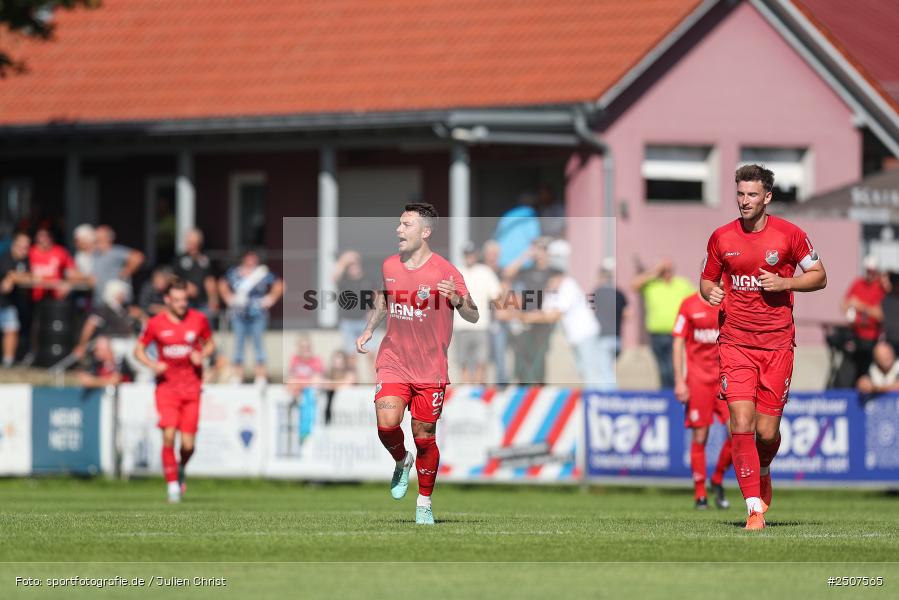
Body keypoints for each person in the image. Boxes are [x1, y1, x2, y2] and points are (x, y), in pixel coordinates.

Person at [700, 164, 826, 530]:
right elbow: (706, 282)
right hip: (735, 343)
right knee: (740, 421)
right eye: (740, 194)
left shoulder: (790, 235)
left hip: (777, 346)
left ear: (767, 197)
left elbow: (820, 276)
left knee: (767, 433)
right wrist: (712, 293)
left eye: (752, 195)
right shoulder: (721, 237)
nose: (744, 201)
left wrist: (785, 281)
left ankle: (764, 467)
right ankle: (754, 507)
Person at [356, 202, 477, 526]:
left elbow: (473, 313)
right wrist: (370, 327)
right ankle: (401, 459)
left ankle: (424, 503)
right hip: (394, 358)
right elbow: (384, 298)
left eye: (406, 225)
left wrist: (457, 299)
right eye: (399, 224)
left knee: (424, 436)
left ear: (425, 232)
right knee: (386, 423)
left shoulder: (445, 271)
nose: (398, 230)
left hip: (430, 368)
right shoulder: (390, 265)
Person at [134, 278, 215, 504]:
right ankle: (172, 486)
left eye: (185, 300)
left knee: (188, 445)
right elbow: (138, 350)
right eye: (177, 300)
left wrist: (202, 355)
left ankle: (180, 469)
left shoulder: (198, 319)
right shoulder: (156, 323)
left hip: (192, 389)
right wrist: (152, 364)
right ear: (167, 300)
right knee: (169, 434)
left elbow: (210, 343)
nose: (182, 304)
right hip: (167, 388)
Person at [672, 291, 732, 510]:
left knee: (740, 432)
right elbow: (677, 341)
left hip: (726, 378)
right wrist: (680, 380)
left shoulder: (729, 300)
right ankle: (700, 494)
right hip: (698, 381)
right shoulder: (688, 305)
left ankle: (716, 478)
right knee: (700, 435)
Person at [219, 249, 284, 384]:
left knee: (259, 344)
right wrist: (229, 298)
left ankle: (260, 375)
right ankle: (238, 375)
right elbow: (222, 284)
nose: (251, 260)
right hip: (239, 313)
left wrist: (270, 299)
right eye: (248, 257)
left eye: (253, 257)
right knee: (239, 345)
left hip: (258, 313)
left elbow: (279, 284)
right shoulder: (234, 272)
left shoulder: (262, 273)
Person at [632, 258, 694, 389]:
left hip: (676, 333)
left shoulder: (682, 284)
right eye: (663, 270)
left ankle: (675, 393)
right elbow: (634, 285)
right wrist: (655, 270)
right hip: (656, 333)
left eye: (668, 270)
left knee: (673, 367)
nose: (666, 273)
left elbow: (695, 300)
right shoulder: (652, 284)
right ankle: (667, 395)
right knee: (662, 369)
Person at [454, 242, 502, 384]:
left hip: (481, 325)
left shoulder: (485, 272)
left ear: (476, 255)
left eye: (472, 254)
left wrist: (499, 315)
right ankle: (466, 390)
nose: (469, 257)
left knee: (481, 361)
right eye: (467, 254)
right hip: (461, 325)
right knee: (463, 361)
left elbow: (496, 295)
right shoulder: (456, 272)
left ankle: (479, 391)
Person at [841, 256, 887, 383]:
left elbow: (881, 315)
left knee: (866, 371)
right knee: (847, 369)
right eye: (868, 271)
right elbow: (844, 303)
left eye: (872, 271)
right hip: (855, 334)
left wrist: (860, 306)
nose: (870, 274)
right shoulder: (858, 283)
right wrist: (849, 308)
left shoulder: (881, 288)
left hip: (872, 338)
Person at [332, 250, 377, 367]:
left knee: (371, 354)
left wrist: (373, 311)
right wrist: (343, 260)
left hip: (366, 323)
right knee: (351, 356)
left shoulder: (368, 278)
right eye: (350, 266)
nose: (353, 268)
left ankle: (376, 383)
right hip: (348, 322)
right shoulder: (344, 280)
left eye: (354, 264)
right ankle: (353, 383)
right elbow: (334, 277)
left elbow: (377, 295)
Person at [592, 262, 628, 390]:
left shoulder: (597, 292)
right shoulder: (619, 294)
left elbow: (590, 312)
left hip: (603, 337)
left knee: (604, 372)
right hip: (617, 338)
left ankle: (611, 398)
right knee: (608, 368)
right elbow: (628, 313)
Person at [173, 228, 219, 320]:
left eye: (194, 243)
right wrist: (186, 285)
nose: (191, 246)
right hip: (184, 302)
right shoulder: (179, 259)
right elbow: (174, 278)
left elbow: (210, 281)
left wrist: (213, 299)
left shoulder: (205, 260)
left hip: (203, 303)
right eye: (189, 243)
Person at [0, 232, 31, 366]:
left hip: (10, 302)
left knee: (11, 329)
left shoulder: (24, 260)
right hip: (3, 301)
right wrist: (14, 278)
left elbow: (28, 276)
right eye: (21, 247)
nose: (23, 250)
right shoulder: (5, 258)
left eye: (26, 247)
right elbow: (11, 275)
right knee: (10, 328)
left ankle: (8, 361)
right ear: (14, 245)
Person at [91, 225, 144, 304]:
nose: (96, 238)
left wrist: (127, 271)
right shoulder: (95, 254)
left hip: (117, 301)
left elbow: (138, 257)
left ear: (108, 238)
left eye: (99, 236)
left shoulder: (116, 251)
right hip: (100, 302)